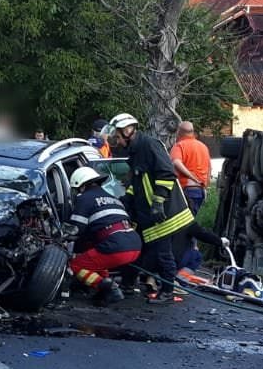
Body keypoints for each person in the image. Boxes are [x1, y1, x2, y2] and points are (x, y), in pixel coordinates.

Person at [107, 112, 193, 303]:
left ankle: (167, 291)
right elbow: (137, 183)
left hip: (163, 214)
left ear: (128, 131)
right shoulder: (135, 152)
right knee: (138, 249)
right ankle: (128, 284)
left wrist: (158, 202)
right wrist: (125, 202)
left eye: (119, 136)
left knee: (163, 254)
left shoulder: (149, 145)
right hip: (146, 214)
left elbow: (166, 173)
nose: (118, 141)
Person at [66, 166, 140, 306]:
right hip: (134, 244)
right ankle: (104, 291)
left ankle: (108, 288)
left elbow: (75, 229)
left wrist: (65, 242)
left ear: (81, 186)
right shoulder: (114, 199)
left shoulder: (84, 199)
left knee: (75, 264)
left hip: (116, 246)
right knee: (95, 259)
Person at [170, 121, 210, 215]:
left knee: (183, 224)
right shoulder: (203, 146)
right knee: (191, 220)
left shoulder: (179, 146)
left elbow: (176, 162)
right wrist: (205, 187)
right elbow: (209, 168)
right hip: (199, 191)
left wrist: (192, 177)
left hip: (186, 190)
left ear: (179, 132)